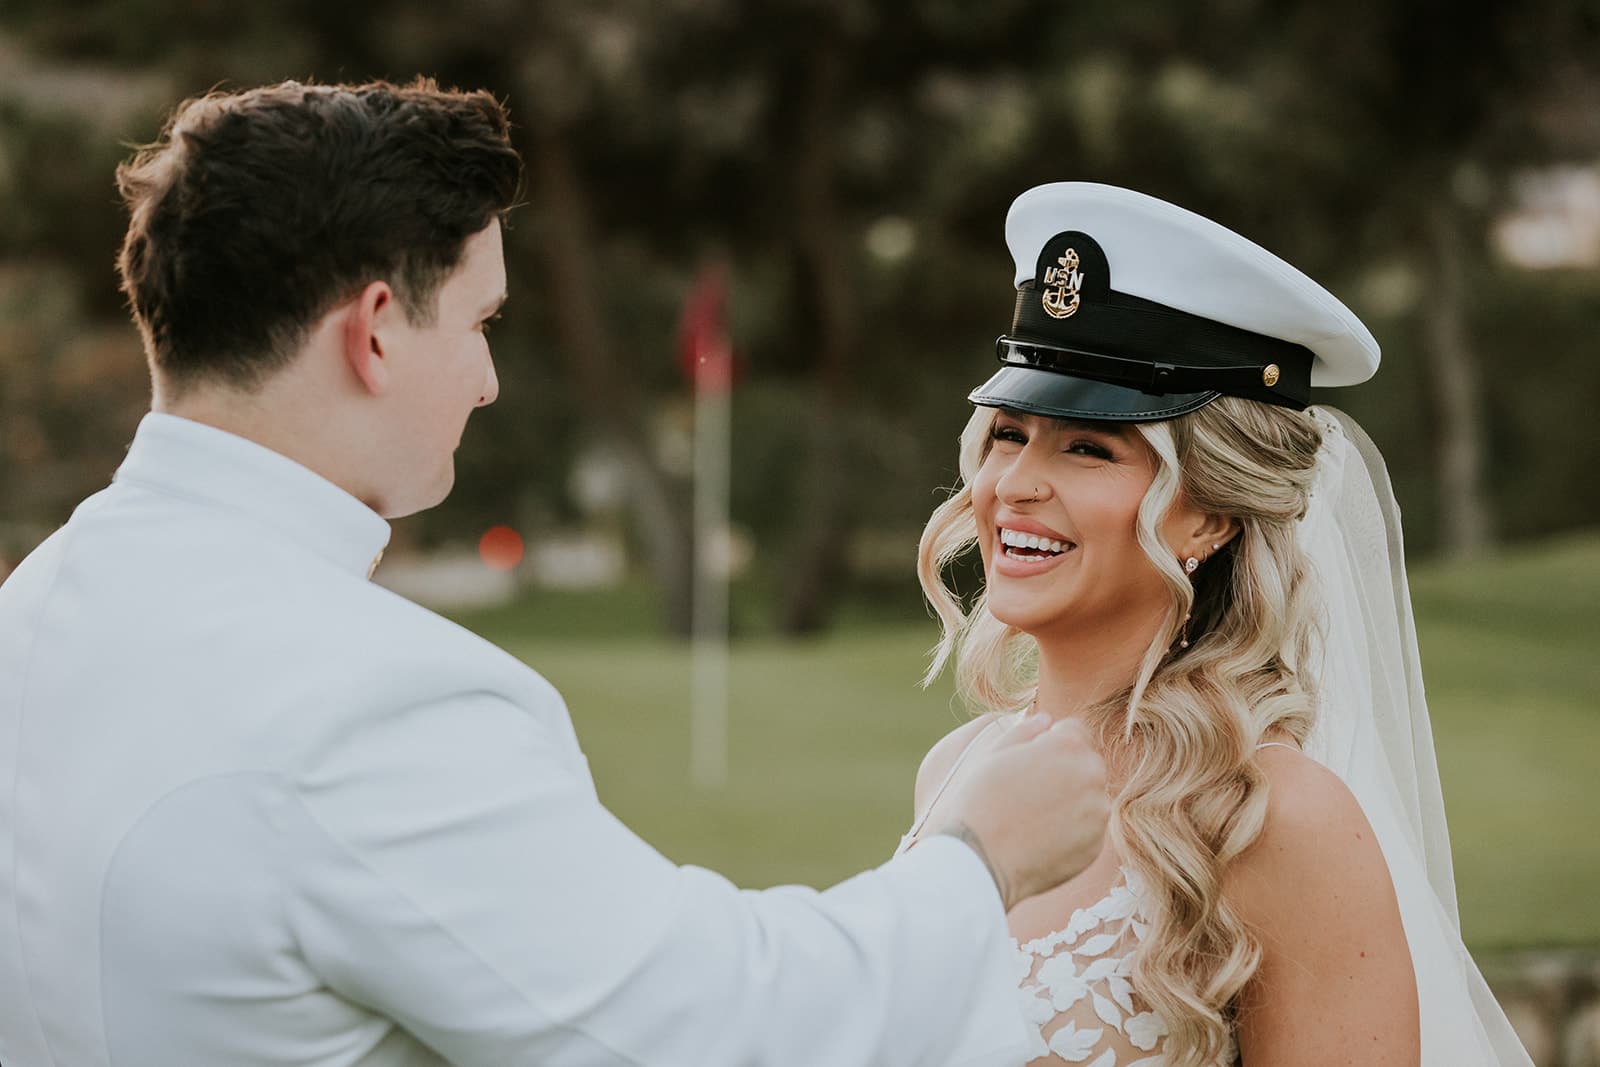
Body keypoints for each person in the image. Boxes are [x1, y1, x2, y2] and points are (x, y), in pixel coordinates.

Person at [0, 80, 1114, 1067]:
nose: (487, 381)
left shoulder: (35, 608)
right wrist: (979, 863)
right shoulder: (370, 700)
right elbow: (704, 1028)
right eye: (481, 321)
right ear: (376, 332)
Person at [897, 182, 1535, 1066]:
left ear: (1209, 515)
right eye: (1009, 432)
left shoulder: (1274, 818)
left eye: (1089, 446)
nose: (1017, 483)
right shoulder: (953, 772)